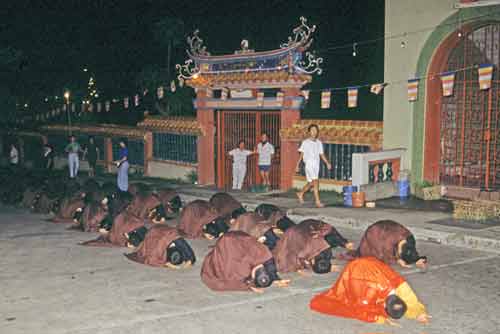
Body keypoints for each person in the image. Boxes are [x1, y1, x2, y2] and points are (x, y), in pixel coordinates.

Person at [310, 257, 431, 326]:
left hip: (373, 264)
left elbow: (411, 299)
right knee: (349, 301)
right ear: (383, 304)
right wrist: (379, 319)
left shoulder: (400, 285)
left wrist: (419, 313)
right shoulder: (369, 293)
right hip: (354, 272)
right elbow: (360, 310)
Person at [201, 231, 290, 293]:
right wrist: (248, 288)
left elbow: (269, 263)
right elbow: (217, 284)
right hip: (226, 242)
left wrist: (275, 278)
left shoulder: (260, 252)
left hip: (237, 237)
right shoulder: (241, 272)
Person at [273, 219, 353, 275]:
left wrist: (344, 243)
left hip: (308, 228)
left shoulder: (326, 248)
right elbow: (294, 260)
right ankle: (278, 224)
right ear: (313, 261)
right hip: (296, 232)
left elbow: (330, 230)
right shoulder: (305, 252)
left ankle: (279, 223)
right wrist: (300, 268)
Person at [356, 220, 428, 269]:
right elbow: (388, 254)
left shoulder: (409, 238)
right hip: (375, 232)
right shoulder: (389, 242)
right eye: (399, 253)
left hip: (387, 230)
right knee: (376, 257)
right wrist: (398, 260)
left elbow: (411, 251)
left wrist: (417, 260)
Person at [295, 124, 332, 208]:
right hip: (309, 164)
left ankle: (300, 193)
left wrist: (327, 163)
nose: (314, 132)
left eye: (315, 130)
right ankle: (317, 201)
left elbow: (321, 154)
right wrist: (297, 165)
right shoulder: (305, 142)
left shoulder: (319, 142)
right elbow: (301, 154)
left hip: (316, 164)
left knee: (311, 183)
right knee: (316, 182)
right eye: (312, 130)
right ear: (309, 132)